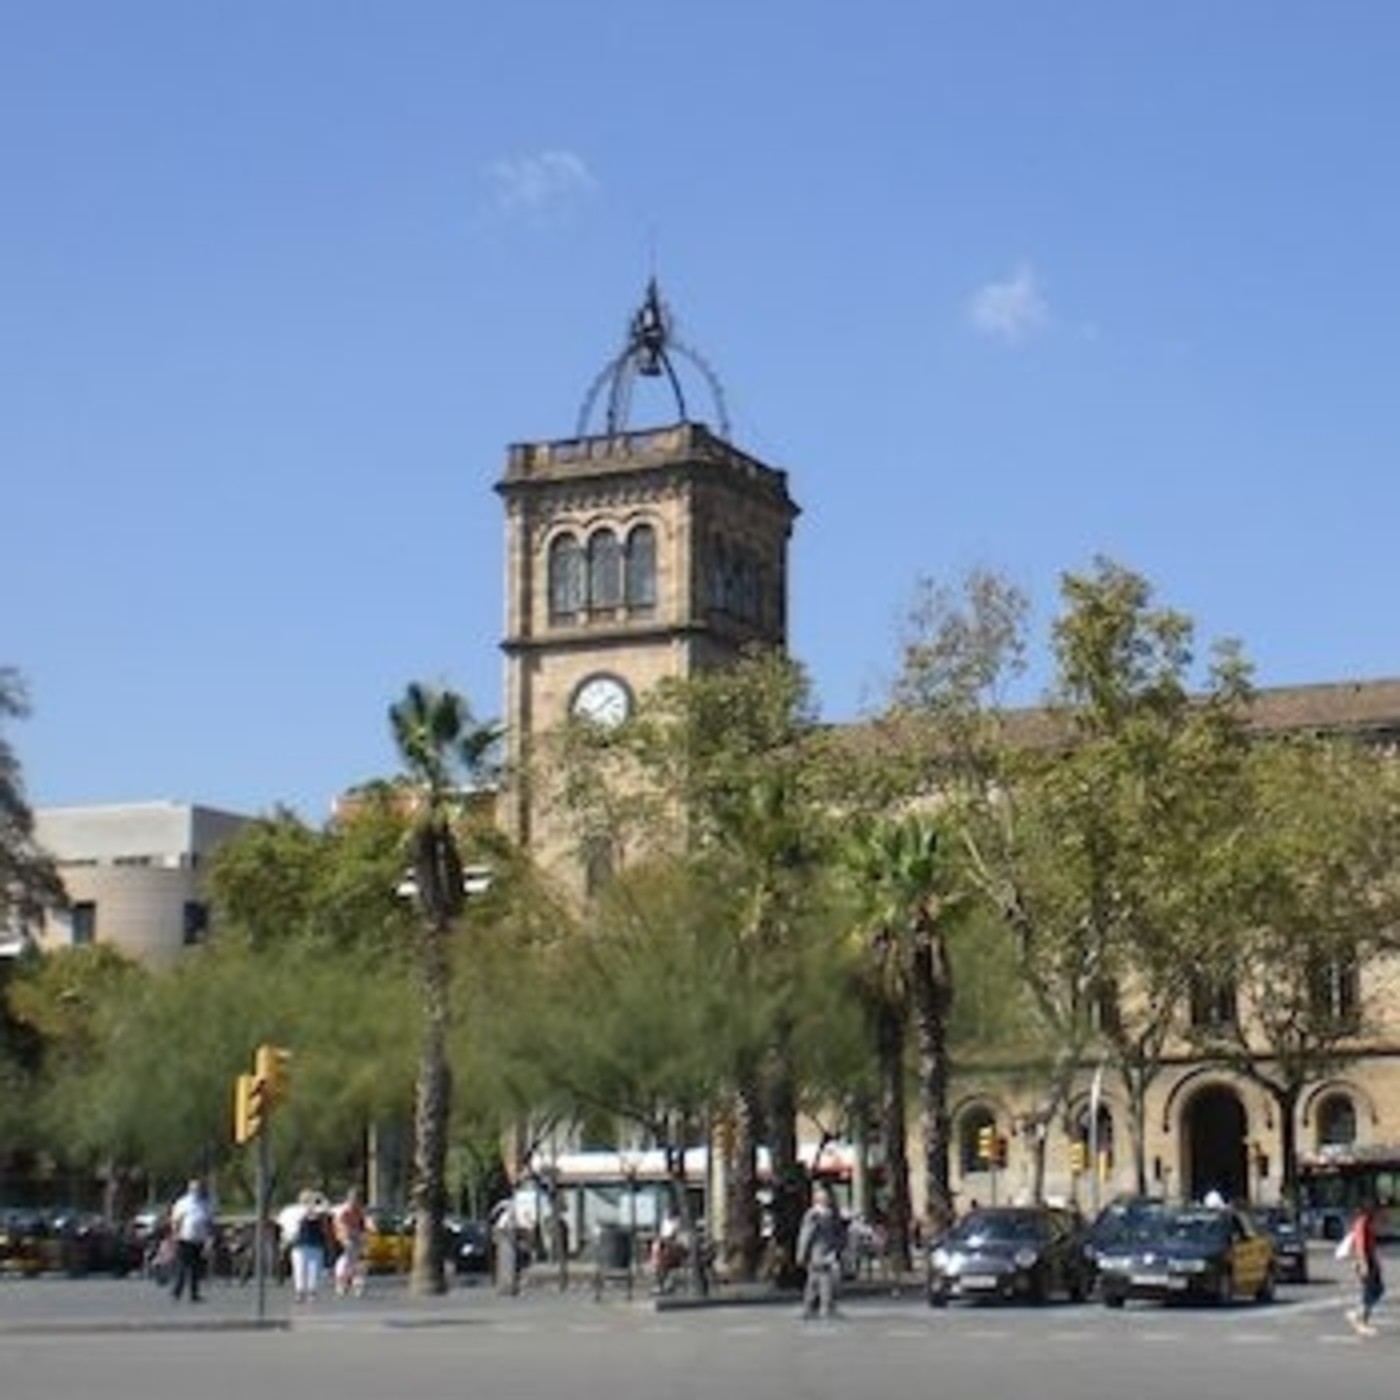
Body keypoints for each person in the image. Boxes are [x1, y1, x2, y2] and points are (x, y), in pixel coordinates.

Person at [797, 1185, 841, 1320]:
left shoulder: (829, 1214)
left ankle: (810, 1308)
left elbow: (835, 1235)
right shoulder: (814, 1215)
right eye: (825, 1198)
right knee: (825, 1280)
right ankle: (825, 1308)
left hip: (825, 1252)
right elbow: (806, 1235)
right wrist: (801, 1253)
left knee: (815, 1281)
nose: (828, 1200)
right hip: (819, 1253)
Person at [168, 1177, 214, 1303]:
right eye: (194, 1188)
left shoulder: (205, 1204)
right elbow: (175, 1221)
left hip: (199, 1240)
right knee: (183, 1266)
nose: (196, 1190)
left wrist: (209, 1240)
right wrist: (175, 1235)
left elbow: (209, 1222)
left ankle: (194, 1294)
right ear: (189, 1189)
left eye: (198, 1188)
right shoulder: (182, 1203)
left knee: (196, 1268)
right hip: (184, 1238)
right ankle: (176, 1292)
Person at [1345, 1200, 1385, 1337]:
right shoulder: (1362, 1223)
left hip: (1370, 1260)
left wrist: (1376, 1261)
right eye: (1376, 1210)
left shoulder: (1368, 1222)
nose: (1379, 1213)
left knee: (1378, 1289)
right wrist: (1363, 1264)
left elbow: (1371, 1245)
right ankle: (1361, 1322)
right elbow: (1361, 1245)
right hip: (1365, 1260)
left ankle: (1357, 1314)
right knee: (1369, 1291)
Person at [287, 1190, 331, 1303]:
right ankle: (300, 1292)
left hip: (315, 1244)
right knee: (299, 1270)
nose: (308, 1201)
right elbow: (302, 1216)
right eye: (306, 1199)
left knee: (314, 1270)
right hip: (299, 1245)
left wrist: (321, 1197)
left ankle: (312, 1292)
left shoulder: (318, 1211)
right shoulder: (296, 1211)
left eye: (309, 1199)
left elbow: (326, 1208)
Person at [332, 1187, 368, 1298]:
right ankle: (343, 1284)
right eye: (353, 1198)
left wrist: (362, 1236)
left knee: (357, 1261)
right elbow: (339, 1225)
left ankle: (356, 1284)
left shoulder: (359, 1211)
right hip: (346, 1238)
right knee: (348, 1260)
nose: (355, 1200)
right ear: (348, 1198)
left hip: (356, 1238)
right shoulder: (343, 1210)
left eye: (357, 1198)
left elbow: (362, 1225)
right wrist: (345, 1238)